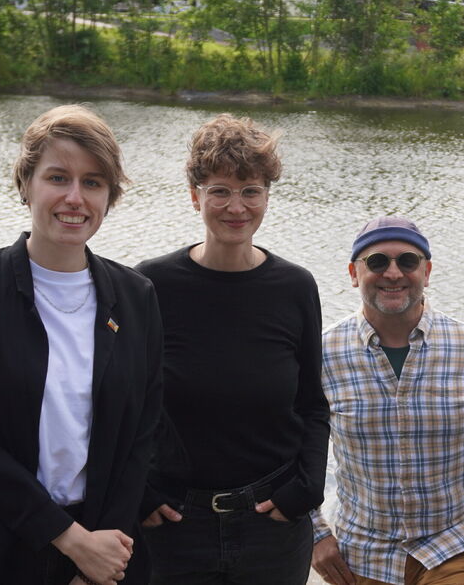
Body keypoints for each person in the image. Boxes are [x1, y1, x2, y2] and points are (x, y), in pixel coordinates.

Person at [0, 105, 163, 585]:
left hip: (105, 551)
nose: (75, 197)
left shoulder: (136, 297)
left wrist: (101, 551)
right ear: (26, 184)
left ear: (109, 196)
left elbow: (142, 435)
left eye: (94, 182)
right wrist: (72, 540)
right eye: (58, 177)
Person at [136, 114, 329, 584]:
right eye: (220, 190)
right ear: (195, 195)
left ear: (267, 196)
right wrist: (139, 491)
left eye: (251, 190)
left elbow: (311, 405)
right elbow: (125, 402)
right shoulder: (152, 284)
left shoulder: (294, 286)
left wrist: (306, 489)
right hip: (176, 527)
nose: (236, 206)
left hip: (272, 529)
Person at [310, 217, 464, 585]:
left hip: (458, 544)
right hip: (360, 552)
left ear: (427, 271)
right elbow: (288, 448)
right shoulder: (322, 354)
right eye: (377, 262)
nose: (393, 273)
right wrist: (315, 534)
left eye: (407, 261)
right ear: (353, 273)